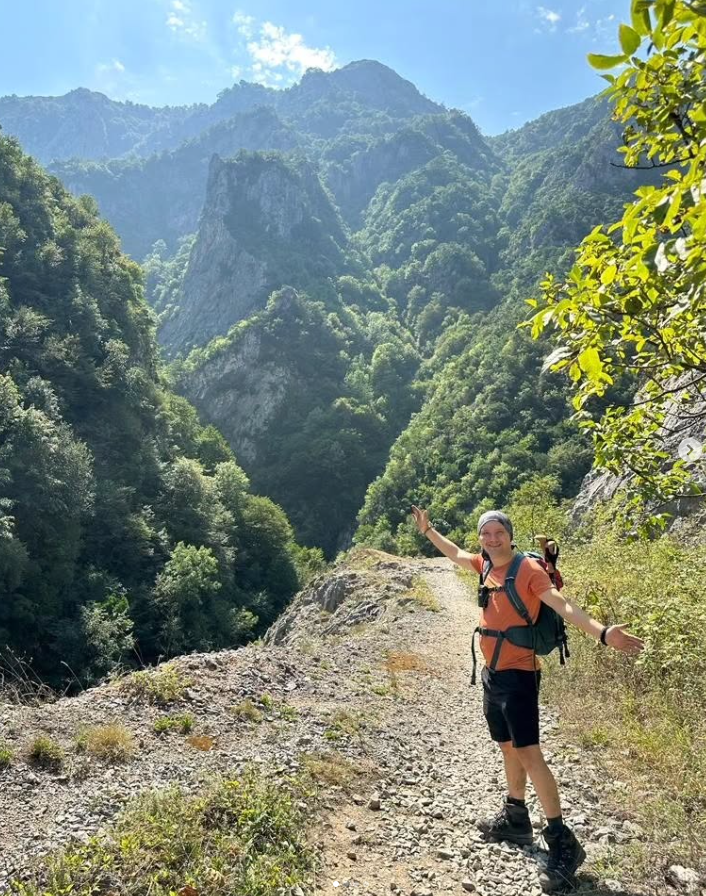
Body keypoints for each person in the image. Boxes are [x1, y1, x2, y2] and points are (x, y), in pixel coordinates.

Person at [410, 506, 644, 893]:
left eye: (498, 532)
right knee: (507, 747)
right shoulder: (484, 564)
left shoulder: (529, 571)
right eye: (486, 533)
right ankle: (516, 818)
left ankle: (563, 841)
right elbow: (455, 553)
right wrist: (428, 530)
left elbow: (562, 605)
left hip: (519, 676)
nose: (491, 539)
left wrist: (603, 634)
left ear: (510, 535)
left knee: (529, 753)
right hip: (493, 675)